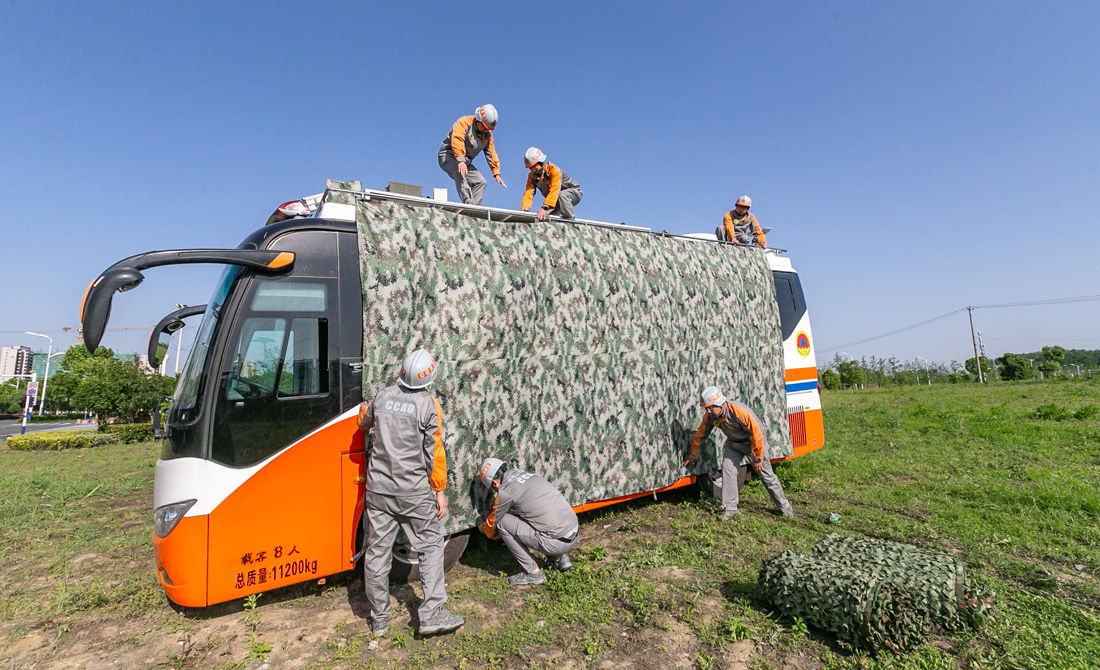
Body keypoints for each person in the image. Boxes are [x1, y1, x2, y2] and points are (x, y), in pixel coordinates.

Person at [357, 348, 464, 636]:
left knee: (377, 551)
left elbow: (364, 422)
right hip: (413, 492)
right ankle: (431, 614)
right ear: (430, 377)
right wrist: (439, 490)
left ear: (402, 372)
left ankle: (379, 618)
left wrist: (365, 411)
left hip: (378, 490)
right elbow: (435, 453)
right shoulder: (429, 406)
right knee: (430, 545)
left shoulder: (383, 396)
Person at [683, 386, 793, 519]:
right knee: (727, 469)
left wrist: (757, 457)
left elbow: (757, 434)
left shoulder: (739, 412)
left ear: (720, 404)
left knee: (766, 475)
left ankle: (784, 508)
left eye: (710, 407)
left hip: (753, 443)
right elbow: (701, 434)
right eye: (706, 408)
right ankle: (730, 509)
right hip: (734, 444)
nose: (708, 411)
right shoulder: (710, 416)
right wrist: (693, 454)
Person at [476, 457, 579, 586]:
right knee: (532, 513)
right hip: (574, 531)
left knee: (503, 522)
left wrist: (483, 528)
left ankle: (534, 573)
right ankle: (560, 559)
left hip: (556, 543)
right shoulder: (525, 474)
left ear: (494, 484)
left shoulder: (506, 492)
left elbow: (491, 528)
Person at [438, 104, 507, 205]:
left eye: (488, 128)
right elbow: (457, 139)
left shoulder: (487, 136)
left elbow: (491, 153)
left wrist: (496, 172)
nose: (486, 130)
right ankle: (468, 203)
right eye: (484, 127)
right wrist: (460, 160)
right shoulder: (464, 122)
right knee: (460, 172)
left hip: (465, 162)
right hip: (448, 156)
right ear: (478, 120)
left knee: (481, 182)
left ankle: (473, 211)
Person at [520, 147, 583, 221]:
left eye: (534, 166)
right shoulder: (532, 176)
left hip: (573, 192)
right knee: (543, 217)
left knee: (562, 195)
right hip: (555, 200)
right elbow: (529, 193)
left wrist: (544, 207)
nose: (532, 169)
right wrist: (525, 211)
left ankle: (570, 221)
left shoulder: (553, 169)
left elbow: (555, 189)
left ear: (540, 162)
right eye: (530, 168)